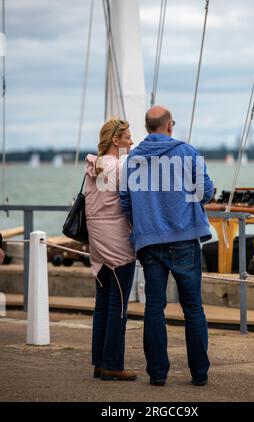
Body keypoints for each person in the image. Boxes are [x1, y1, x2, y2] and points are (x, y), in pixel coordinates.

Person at [120, 105, 214, 386]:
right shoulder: (188, 152)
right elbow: (205, 191)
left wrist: (146, 222)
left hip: (149, 241)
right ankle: (199, 374)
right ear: (170, 126)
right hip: (184, 238)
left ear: (148, 128)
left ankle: (158, 375)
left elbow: (126, 201)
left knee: (154, 308)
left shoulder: (133, 158)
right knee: (193, 308)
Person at [85, 117, 137, 381]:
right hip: (117, 244)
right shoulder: (118, 168)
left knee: (103, 303)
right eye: (128, 136)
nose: (132, 140)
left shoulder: (93, 167)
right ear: (115, 140)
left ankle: (99, 361)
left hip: (97, 243)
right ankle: (112, 364)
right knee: (118, 304)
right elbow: (129, 204)